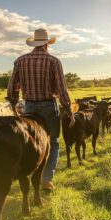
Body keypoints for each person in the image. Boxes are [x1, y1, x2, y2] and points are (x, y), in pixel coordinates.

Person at [7, 28, 75, 192]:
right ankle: (46, 180)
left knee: (30, 142)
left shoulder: (20, 60)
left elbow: (11, 87)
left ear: (35, 43)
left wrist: (14, 105)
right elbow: (62, 89)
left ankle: (30, 173)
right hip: (48, 107)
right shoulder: (54, 61)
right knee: (53, 142)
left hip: (29, 106)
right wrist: (69, 110)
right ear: (47, 44)